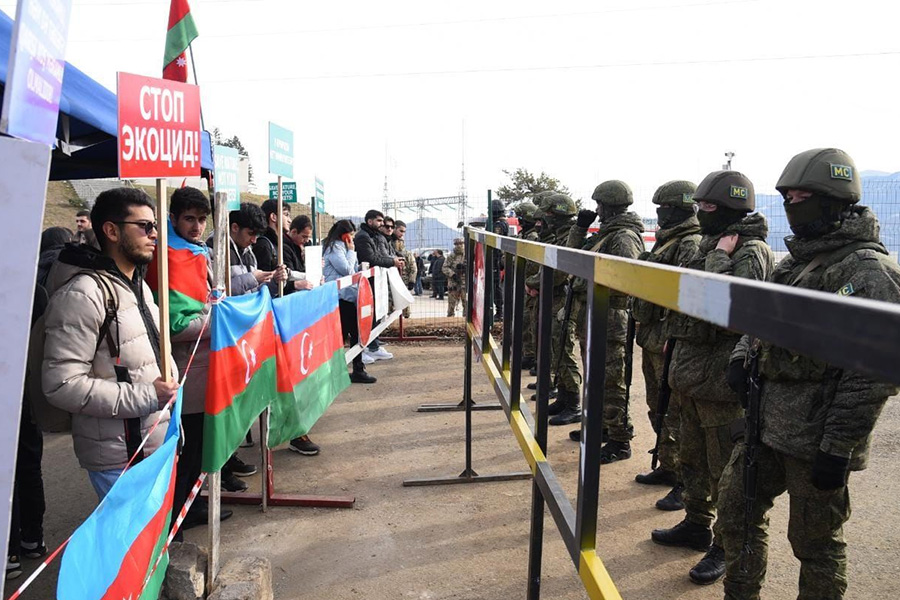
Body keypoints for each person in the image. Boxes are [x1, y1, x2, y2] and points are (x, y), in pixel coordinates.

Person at [717, 149, 900, 599]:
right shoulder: (797, 262)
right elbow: (764, 319)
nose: (791, 206)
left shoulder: (868, 272)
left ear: (835, 201)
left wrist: (837, 448)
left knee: (815, 544)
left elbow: (871, 374)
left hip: (816, 438)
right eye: (787, 197)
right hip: (765, 423)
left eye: (802, 197)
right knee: (735, 517)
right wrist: (743, 355)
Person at [651, 170, 775, 586]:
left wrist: (720, 258)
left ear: (728, 209)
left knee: (727, 473)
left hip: (721, 383)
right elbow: (686, 296)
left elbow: (733, 311)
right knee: (693, 461)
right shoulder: (709, 243)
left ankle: (723, 544)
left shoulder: (748, 249)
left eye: (707, 208)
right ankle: (696, 524)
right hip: (690, 371)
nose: (700, 214)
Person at [42, 187, 179, 500]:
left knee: (156, 547)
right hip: (121, 455)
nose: (155, 234)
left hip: (153, 442)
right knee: (132, 549)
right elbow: (61, 384)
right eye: (144, 226)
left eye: (155, 225)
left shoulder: (136, 285)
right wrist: (148, 396)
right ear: (111, 230)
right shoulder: (83, 294)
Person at [166, 187, 235, 530]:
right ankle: (180, 514)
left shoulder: (194, 252)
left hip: (204, 365)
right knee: (189, 447)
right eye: (189, 219)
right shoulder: (172, 259)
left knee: (198, 446)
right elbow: (176, 325)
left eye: (201, 219)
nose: (196, 226)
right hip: (187, 368)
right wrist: (219, 319)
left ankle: (189, 506)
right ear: (174, 218)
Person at [632, 181, 701, 512]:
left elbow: (685, 295)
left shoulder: (689, 243)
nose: (659, 214)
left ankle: (683, 483)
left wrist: (674, 335)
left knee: (674, 413)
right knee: (657, 406)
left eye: (664, 208)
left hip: (667, 340)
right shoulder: (667, 241)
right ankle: (669, 465)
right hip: (653, 336)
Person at [209, 202, 289, 481]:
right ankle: (222, 464)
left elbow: (254, 285)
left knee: (244, 394)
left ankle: (231, 456)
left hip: (246, 332)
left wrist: (271, 278)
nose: (255, 240)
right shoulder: (215, 249)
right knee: (227, 400)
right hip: (226, 335)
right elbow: (221, 289)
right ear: (234, 228)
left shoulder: (247, 250)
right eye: (251, 234)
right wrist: (253, 277)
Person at [566, 182, 644, 448]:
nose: (597, 210)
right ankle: (601, 428)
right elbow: (571, 258)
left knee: (612, 380)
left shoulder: (623, 236)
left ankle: (619, 439)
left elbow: (626, 278)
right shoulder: (605, 234)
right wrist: (579, 229)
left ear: (609, 205)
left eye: (600, 205)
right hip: (594, 313)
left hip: (611, 317)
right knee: (595, 377)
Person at [525, 193, 578, 415]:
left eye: (547, 215)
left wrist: (533, 281)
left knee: (562, 351)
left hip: (561, 299)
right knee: (554, 350)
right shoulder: (558, 236)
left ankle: (572, 402)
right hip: (550, 298)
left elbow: (558, 273)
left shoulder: (570, 237)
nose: (543, 220)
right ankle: (564, 398)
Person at [323, 220, 376, 384]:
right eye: (350, 234)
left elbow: (351, 269)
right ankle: (345, 369)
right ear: (344, 234)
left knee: (353, 331)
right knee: (346, 332)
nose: (352, 238)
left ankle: (355, 368)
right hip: (340, 296)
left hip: (348, 295)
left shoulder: (342, 247)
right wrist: (352, 251)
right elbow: (346, 270)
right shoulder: (334, 248)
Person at [354, 210, 401, 361]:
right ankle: (365, 349)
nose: (383, 225)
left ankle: (372, 346)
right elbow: (371, 258)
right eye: (380, 221)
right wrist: (392, 262)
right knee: (367, 315)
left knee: (375, 314)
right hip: (367, 282)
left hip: (375, 281)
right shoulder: (363, 237)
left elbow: (379, 256)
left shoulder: (372, 236)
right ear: (370, 221)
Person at [514, 201, 540, 369]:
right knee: (525, 321)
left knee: (529, 322)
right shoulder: (525, 235)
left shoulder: (532, 237)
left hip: (531, 285)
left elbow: (532, 263)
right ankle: (528, 353)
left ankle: (530, 355)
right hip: (526, 283)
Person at [252, 199, 292, 296]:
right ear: (273, 217)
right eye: (286, 215)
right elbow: (263, 283)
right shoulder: (263, 245)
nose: (290, 220)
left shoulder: (281, 244)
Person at [391, 220, 417, 318]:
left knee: (405, 305)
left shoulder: (407, 253)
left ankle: (406, 322)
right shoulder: (389, 251)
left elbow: (413, 267)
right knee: (392, 306)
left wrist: (411, 281)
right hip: (392, 283)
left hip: (404, 282)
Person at [442, 238, 466, 317]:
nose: (459, 246)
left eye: (461, 243)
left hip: (465, 282)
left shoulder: (468, 255)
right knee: (451, 303)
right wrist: (453, 274)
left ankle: (466, 319)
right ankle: (450, 318)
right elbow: (444, 268)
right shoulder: (451, 256)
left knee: (466, 302)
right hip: (454, 282)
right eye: (457, 244)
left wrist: (465, 267)